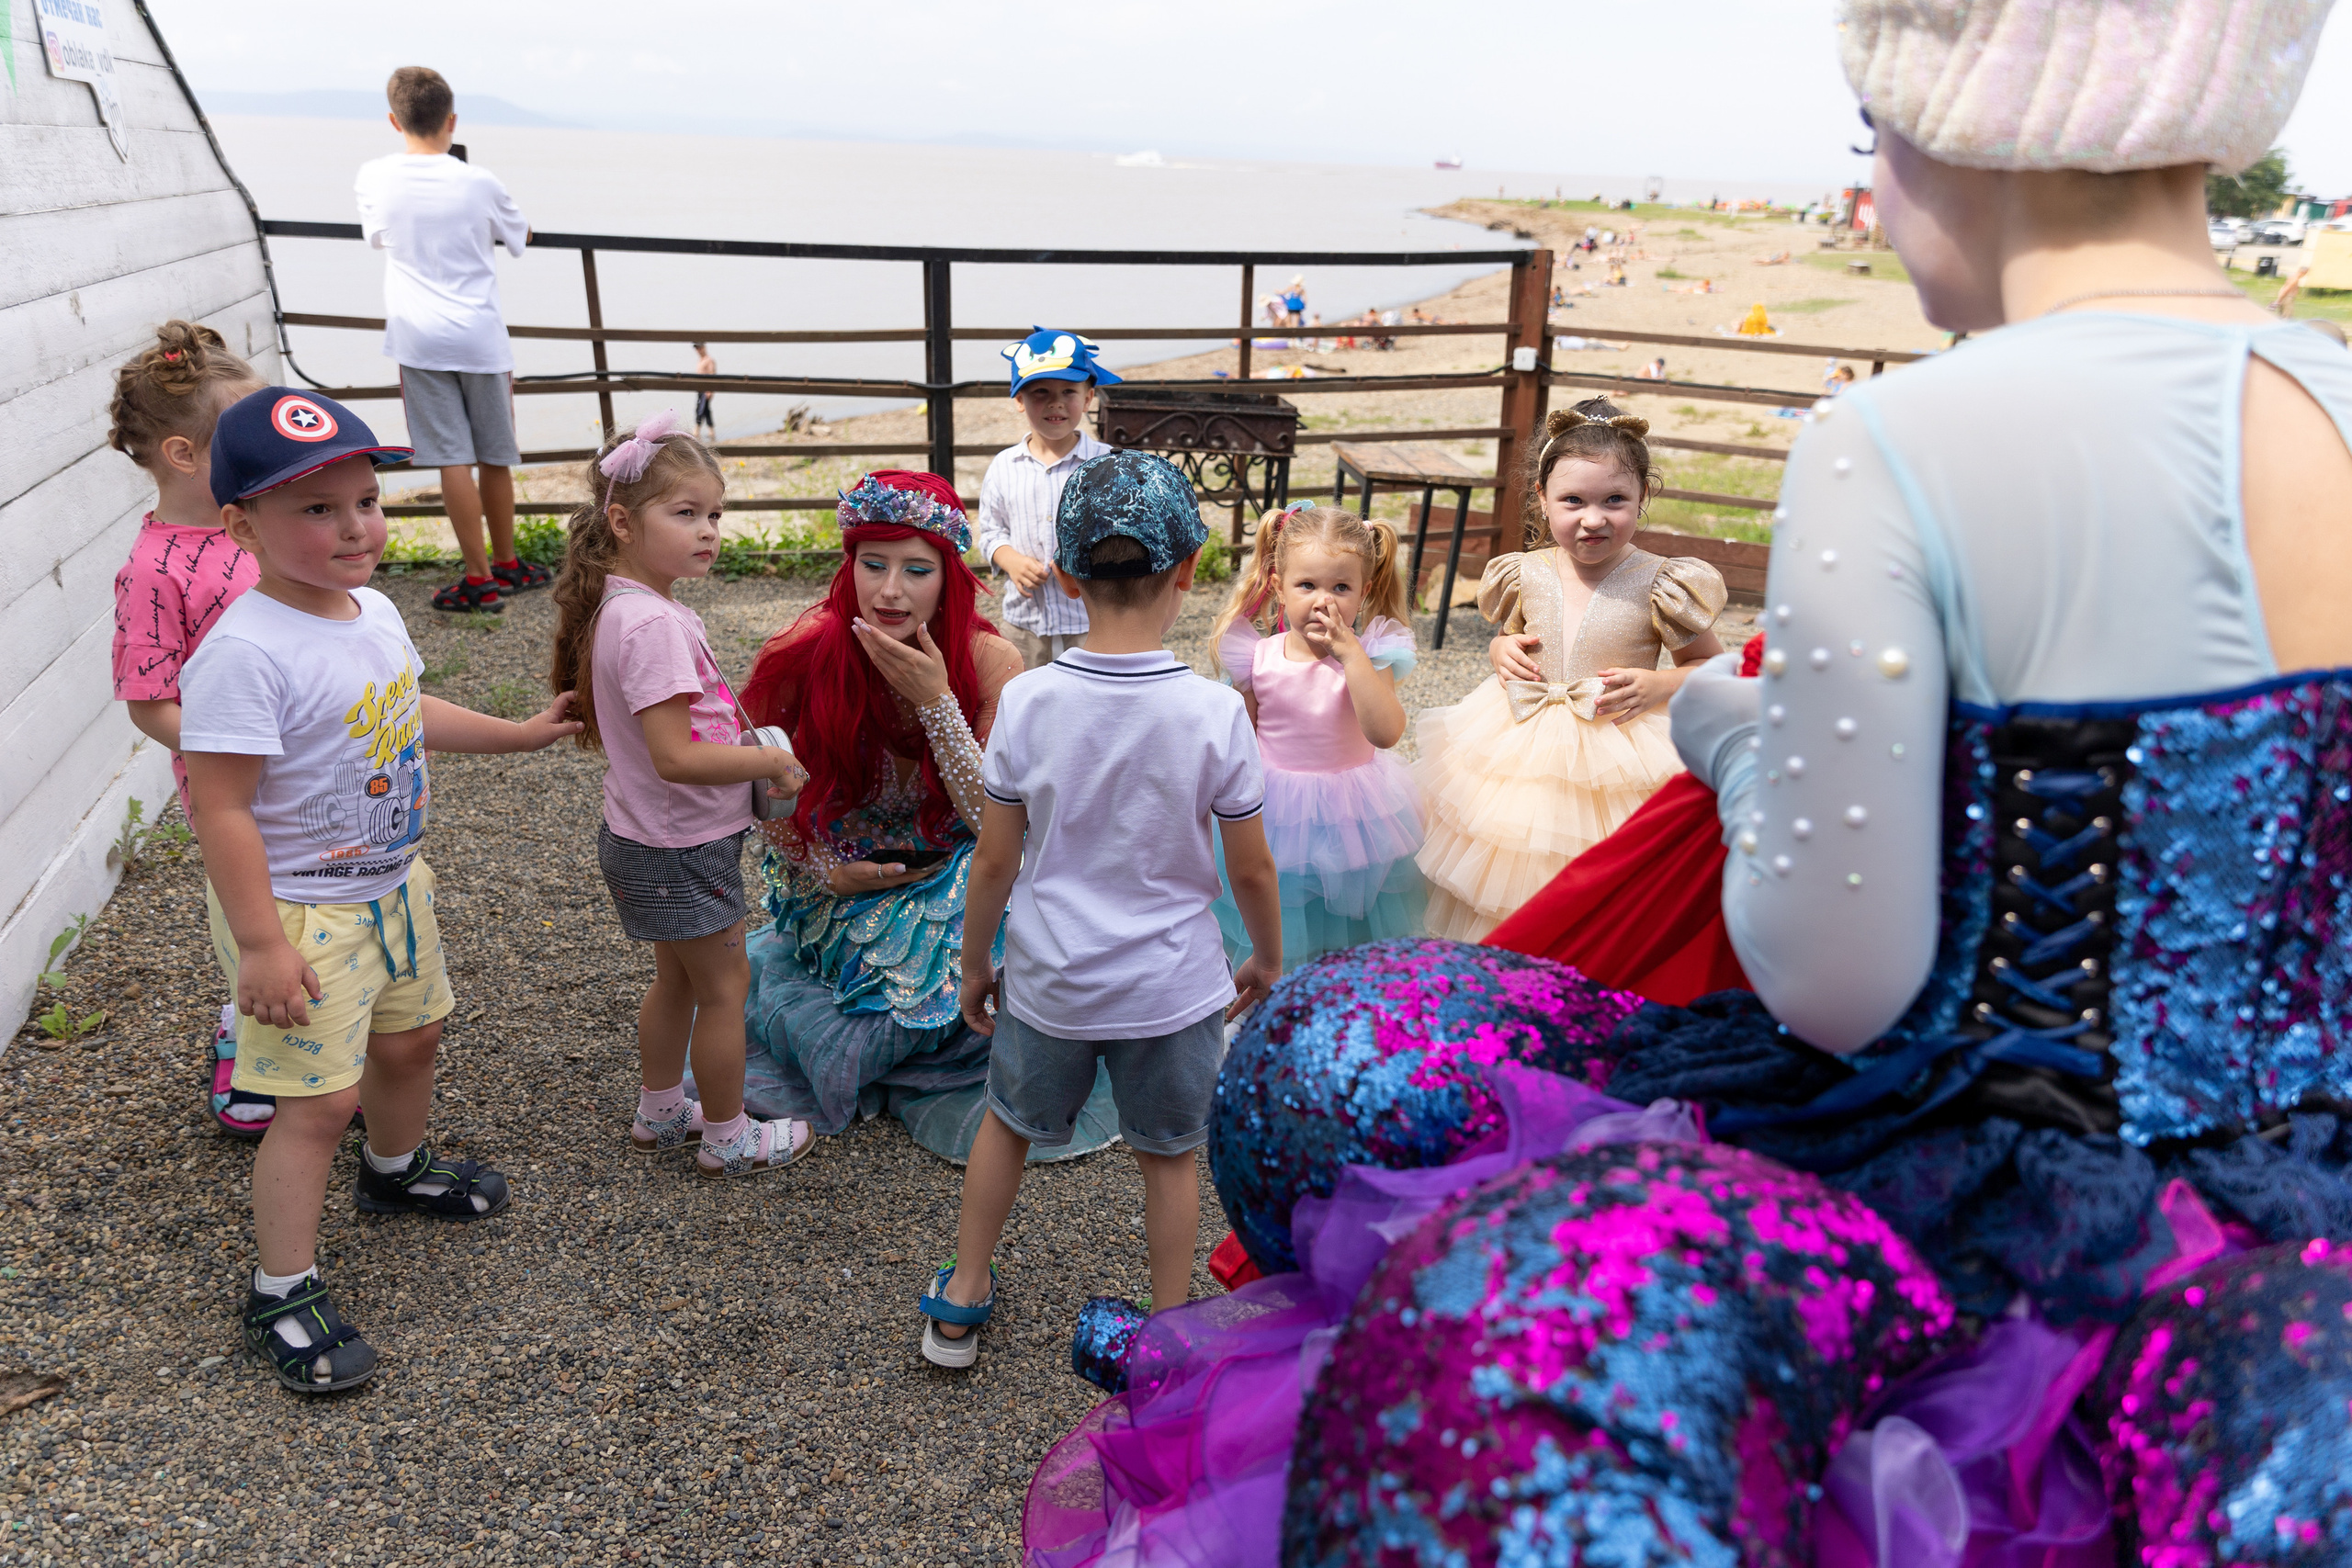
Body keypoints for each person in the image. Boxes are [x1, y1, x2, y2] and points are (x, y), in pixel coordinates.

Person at [1273, 1, 2352, 1560]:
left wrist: (1724, 730)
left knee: (1450, 1238)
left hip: (2008, 1195)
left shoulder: (1904, 436)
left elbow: (1836, 977)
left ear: (1948, 132)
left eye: (1871, 137)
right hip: (2305, 1188)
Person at [179, 388, 582, 1393]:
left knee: (413, 1041)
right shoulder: (243, 652)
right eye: (315, 509)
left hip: (395, 886)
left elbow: (404, 707)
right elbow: (221, 809)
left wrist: (517, 734)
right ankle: (282, 1285)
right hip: (302, 912)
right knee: (317, 1104)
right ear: (240, 525)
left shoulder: (376, 610)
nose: (354, 525)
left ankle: (395, 1172)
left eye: (365, 500)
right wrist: (263, 946)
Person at [919, 451, 1283, 1369]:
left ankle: (961, 1296)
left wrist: (973, 966)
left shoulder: (1031, 701)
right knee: (1168, 1156)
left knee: (1008, 1123)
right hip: (1172, 986)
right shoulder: (1212, 713)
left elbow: (995, 860)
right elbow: (1250, 871)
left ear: (1069, 579)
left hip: (1051, 981)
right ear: (1188, 572)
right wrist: (1267, 958)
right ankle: (1168, 1329)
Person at [737, 472, 1078, 1164]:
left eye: (916, 569)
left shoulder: (991, 660)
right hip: (840, 871)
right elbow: (761, 793)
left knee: (1014, 970)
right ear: (849, 564)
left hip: (959, 866)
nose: (890, 591)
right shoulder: (804, 651)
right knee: (903, 992)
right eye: (873, 564)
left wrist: (936, 702)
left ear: (948, 578)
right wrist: (827, 871)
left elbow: (994, 822)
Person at [547, 411, 814, 1177]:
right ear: (623, 522)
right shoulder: (653, 625)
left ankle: (661, 1109)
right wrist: (766, 764)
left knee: (676, 978)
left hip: (643, 836)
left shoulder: (625, 608)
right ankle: (728, 1134)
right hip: (680, 843)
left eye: (716, 514)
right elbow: (675, 755)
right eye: (686, 513)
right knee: (726, 986)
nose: (709, 531)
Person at [1412, 398, 1726, 939]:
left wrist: (1660, 684)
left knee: (1604, 897)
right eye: (1573, 500)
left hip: (1620, 760)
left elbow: (1711, 668)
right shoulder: (1521, 572)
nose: (1594, 519)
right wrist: (1499, 651)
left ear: (1643, 496)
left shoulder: (1662, 583)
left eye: (1615, 500)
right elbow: (1517, 638)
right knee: (1503, 876)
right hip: (1518, 749)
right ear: (1541, 498)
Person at [105, 321, 271, 1137]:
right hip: (230, 786)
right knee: (251, 922)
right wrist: (236, 745)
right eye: (242, 438)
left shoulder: (258, 525)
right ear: (182, 453)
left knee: (317, 907)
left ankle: (324, 1035)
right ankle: (246, 1035)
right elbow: (148, 699)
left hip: (311, 771)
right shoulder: (152, 570)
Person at [356, 66, 541, 616]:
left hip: (419, 338)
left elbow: (377, 237)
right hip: (481, 337)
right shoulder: (479, 181)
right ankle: (507, 562)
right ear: (451, 120)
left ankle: (480, 579)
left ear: (395, 120)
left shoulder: (374, 177)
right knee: (495, 457)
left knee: (452, 459)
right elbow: (520, 236)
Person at [1208, 504, 1424, 970]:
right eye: (1307, 585)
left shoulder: (1372, 655)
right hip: (1278, 813)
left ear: (1364, 593)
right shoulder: (1257, 655)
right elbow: (1239, 741)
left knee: (1349, 928)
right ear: (1279, 588)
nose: (1323, 601)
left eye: (1340, 587)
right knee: (1284, 915)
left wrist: (1352, 657)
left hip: (1354, 813)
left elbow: (1386, 733)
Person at [972, 328, 1116, 668]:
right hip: (1025, 619)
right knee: (1022, 696)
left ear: (1089, 397)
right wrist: (1010, 560)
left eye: (1069, 391)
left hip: (1090, 618)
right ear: (1019, 400)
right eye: (1040, 392)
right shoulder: (1004, 466)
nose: (1056, 402)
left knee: (1089, 699)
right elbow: (991, 531)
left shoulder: (1106, 463)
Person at [689, 344, 717, 442]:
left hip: (706, 389)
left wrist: (710, 390)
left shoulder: (709, 360)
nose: (698, 350)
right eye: (696, 348)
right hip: (700, 388)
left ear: (704, 348)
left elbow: (712, 375)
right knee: (706, 410)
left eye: (699, 348)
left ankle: (697, 429)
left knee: (700, 409)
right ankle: (711, 431)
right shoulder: (700, 360)